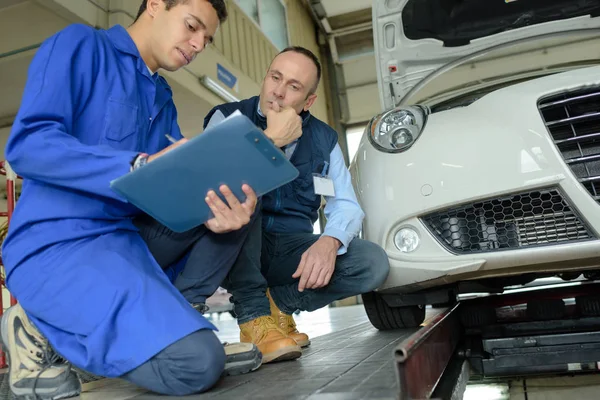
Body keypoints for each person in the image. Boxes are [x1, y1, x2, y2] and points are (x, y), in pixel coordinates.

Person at [0, 0, 301, 398]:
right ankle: (36, 326)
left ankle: (178, 323)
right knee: (196, 366)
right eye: (192, 26)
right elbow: (29, 146)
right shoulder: (80, 45)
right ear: (156, 5)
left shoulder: (162, 98)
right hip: (60, 245)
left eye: (206, 40)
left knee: (239, 195)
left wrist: (215, 211)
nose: (197, 45)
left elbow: (179, 188)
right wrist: (136, 164)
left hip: (127, 246)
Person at [203, 47, 391, 364]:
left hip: (289, 249)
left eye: (294, 86)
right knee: (246, 188)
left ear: (308, 101)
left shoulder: (324, 139)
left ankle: (278, 305)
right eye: (275, 77)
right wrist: (269, 140)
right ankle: (253, 317)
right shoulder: (227, 118)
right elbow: (216, 185)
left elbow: (345, 205)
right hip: (232, 247)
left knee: (372, 262)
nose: (278, 90)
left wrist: (329, 242)